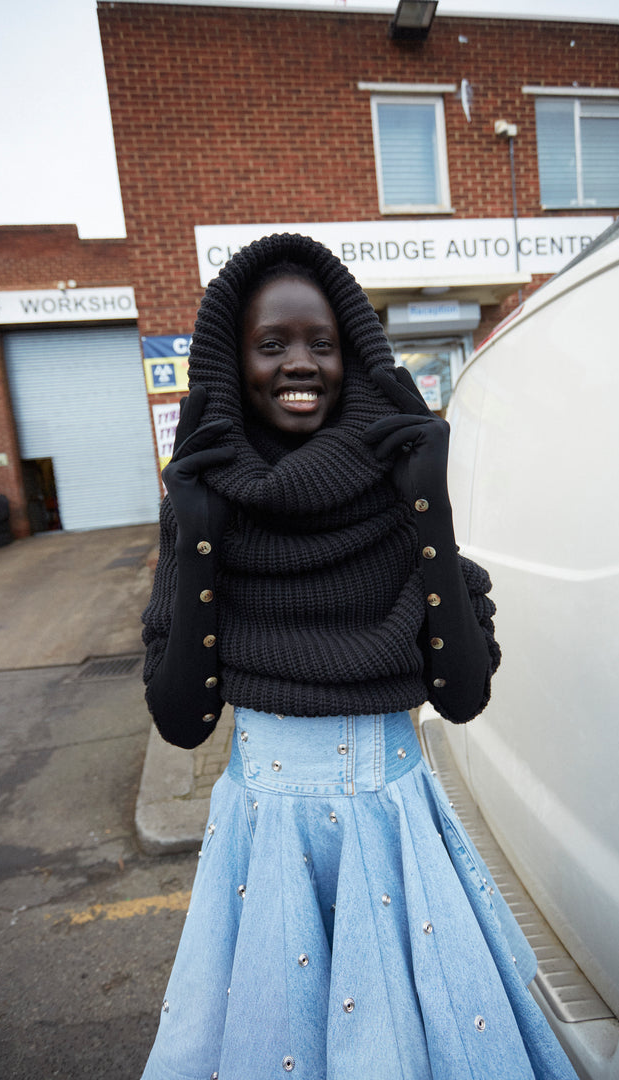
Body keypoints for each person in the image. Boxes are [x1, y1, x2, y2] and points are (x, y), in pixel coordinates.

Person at [140, 233, 579, 1080]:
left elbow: (462, 694)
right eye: (273, 345)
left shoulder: (395, 488)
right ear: (236, 364)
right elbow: (182, 720)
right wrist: (195, 530)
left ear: (355, 355)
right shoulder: (205, 503)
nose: (299, 363)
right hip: (261, 855)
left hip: (400, 835)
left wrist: (427, 502)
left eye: (322, 344)